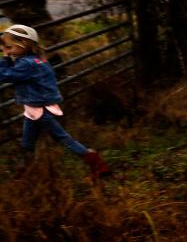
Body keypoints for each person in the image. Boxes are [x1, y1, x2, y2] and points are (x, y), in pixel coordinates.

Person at [0, 24, 111, 180]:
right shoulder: (37, 60)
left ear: (23, 44)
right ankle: (24, 172)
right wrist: (9, 56)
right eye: (6, 48)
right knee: (27, 142)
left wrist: (5, 58)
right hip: (36, 108)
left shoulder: (26, 64)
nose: (8, 51)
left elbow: (5, 75)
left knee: (63, 138)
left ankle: (96, 163)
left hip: (39, 110)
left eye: (10, 47)